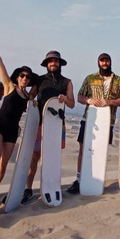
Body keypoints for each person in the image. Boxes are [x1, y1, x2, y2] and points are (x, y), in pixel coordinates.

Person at [0, 28, 38, 218]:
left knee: (3, 165)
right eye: (22, 75)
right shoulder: (9, 86)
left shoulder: (28, 96)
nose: (25, 79)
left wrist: (34, 102)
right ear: (17, 76)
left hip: (13, 130)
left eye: (28, 77)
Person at [66, 53, 120, 194]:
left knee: (101, 150)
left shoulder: (118, 80)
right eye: (102, 61)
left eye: (107, 61)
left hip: (108, 121)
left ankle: (97, 180)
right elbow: (80, 96)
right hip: (89, 119)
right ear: (98, 62)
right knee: (83, 148)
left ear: (110, 62)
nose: (104, 63)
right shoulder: (90, 78)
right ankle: (79, 179)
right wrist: (89, 100)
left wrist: (110, 102)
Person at [21, 51, 75, 204]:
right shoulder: (39, 80)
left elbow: (72, 103)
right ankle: (28, 188)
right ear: (46, 64)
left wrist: (65, 99)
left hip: (57, 124)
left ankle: (52, 186)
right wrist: (33, 102)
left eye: (55, 61)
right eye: (50, 61)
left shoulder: (67, 82)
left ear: (59, 63)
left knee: (53, 158)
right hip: (39, 123)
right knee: (34, 157)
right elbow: (31, 96)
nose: (53, 63)